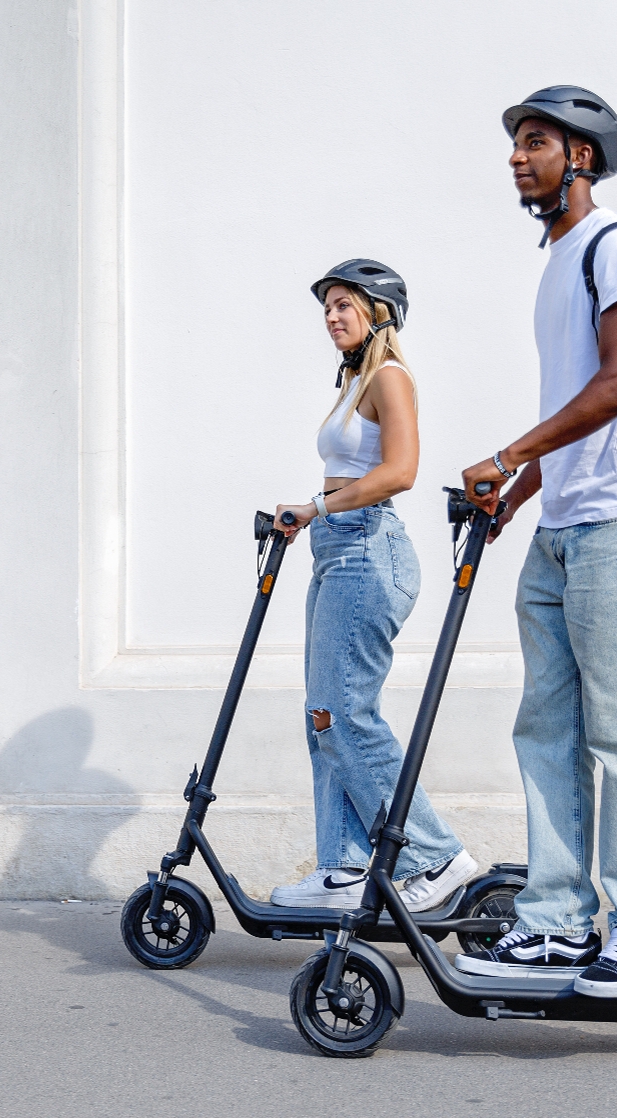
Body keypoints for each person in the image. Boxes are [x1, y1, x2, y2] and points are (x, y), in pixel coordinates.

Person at [454, 87, 617, 997]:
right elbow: (576, 415)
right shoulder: (557, 259)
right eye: (516, 143)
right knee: (548, 728)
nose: (519, 156)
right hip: (562, 529)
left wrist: (512, 450)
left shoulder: (615, 245)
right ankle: (554, 922)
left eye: (536, 141)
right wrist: (516, 497)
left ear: (581, 157)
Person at [264, 261, 481, 912]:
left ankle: (438, 857)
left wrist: (320, 509)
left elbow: (402, 471)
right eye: (326, 307)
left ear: (378, 311)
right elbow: (350, 473)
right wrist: (311, 510)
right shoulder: (357, 378)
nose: (331, 316)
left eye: (343, 304)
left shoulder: (389, 377)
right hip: (339, 547)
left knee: (347, 716)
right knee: (324, 716)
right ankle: (344, 868)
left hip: (366, 550)